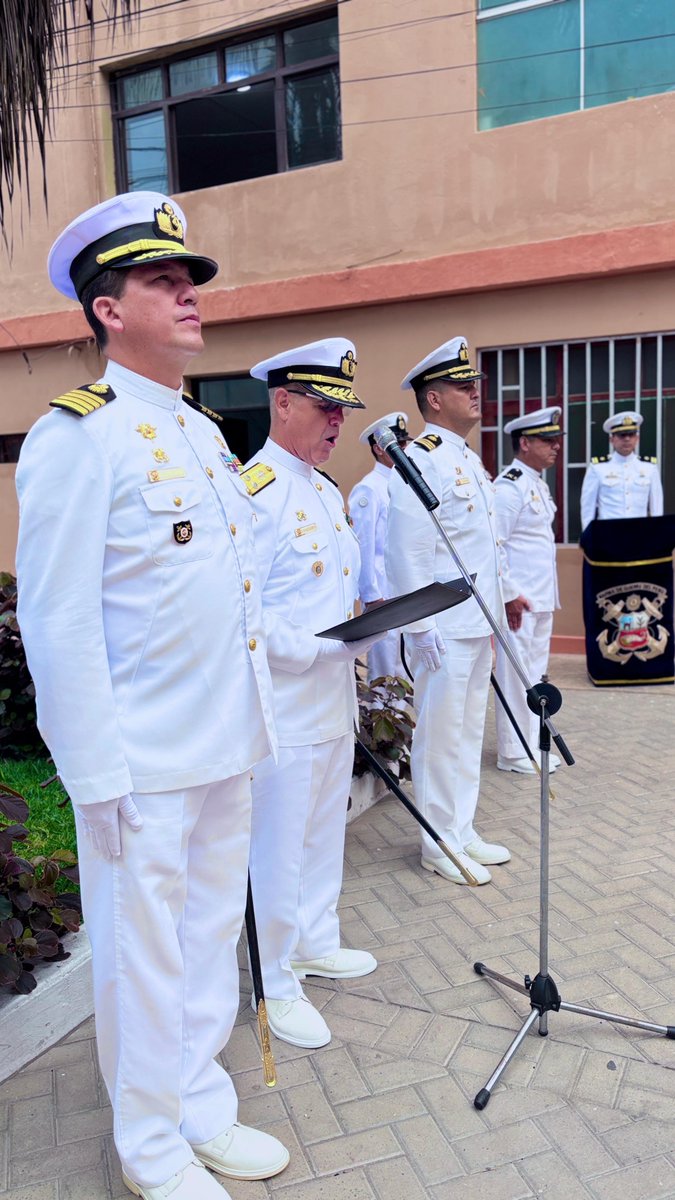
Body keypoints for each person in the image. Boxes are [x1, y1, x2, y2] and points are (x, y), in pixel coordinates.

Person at [15, 192, 289, 1200]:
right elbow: (58, 618)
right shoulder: (78, 437)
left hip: (224, 738)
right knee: (143, 953)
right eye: (161, 283)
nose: (188, 296)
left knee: (210, 935)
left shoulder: (205, 432)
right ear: (105, 309)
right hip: (141, 756)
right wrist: (94, 771)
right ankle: (150, 1147)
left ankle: (199, 1102)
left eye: (189, 281)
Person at [244, 338, 381, 1049]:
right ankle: (274, 979)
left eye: (342, 411)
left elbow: (332, 595)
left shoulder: (325, 492)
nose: (336, 423)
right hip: (286, 705)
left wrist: (361, 631)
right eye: (324, 408)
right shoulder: (255, 493)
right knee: (278, 845)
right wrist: (317, 649)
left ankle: (314, 939)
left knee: (324, 831)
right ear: (284, 403)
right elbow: (246, 609)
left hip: (332, 700)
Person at [386, 336, 518, 886]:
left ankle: (461, 829)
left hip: (474, 623)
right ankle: (438, 841)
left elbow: (483, 548)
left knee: (466, 732)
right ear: (433, 399)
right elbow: (407, 555)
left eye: (475, 385)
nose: (475, 394)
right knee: (439, 736)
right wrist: (419, 631)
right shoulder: (419, 462)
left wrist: (496, 615)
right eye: (462, 387)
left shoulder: (467, 458)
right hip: (440, 627)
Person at [494, 407, 563, 775]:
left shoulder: (535, 482)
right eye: (547, 441)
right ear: (524, 443)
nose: (555, 447)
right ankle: (513, 751)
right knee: (516, 674)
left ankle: (531, 744)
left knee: (535, 675)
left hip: (539, 599)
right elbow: (495, 544)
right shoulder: (509, 486)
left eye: (556, 440)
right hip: (519, 601)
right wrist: (507, 593)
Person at [348, 411, 411, 681]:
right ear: (378, 448)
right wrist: (371, 596)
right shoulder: (369, 489)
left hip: (405, 591)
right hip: (382, 596)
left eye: (405, 443)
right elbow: (362, 547)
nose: (404, 449)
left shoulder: (403, 484)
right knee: (385, 674)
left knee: (407, 670)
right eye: (398, 443)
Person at [580, 411, 663, 529]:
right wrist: (589, 538)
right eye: (622, 435)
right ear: (612, 439)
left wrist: (657, 536)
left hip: (639, 535)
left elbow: (657, 507)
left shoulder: (649, 468)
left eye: (631, 434)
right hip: (608, 536)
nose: (627, 439)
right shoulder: (598, 468)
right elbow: (587, 508)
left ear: (637, 438)